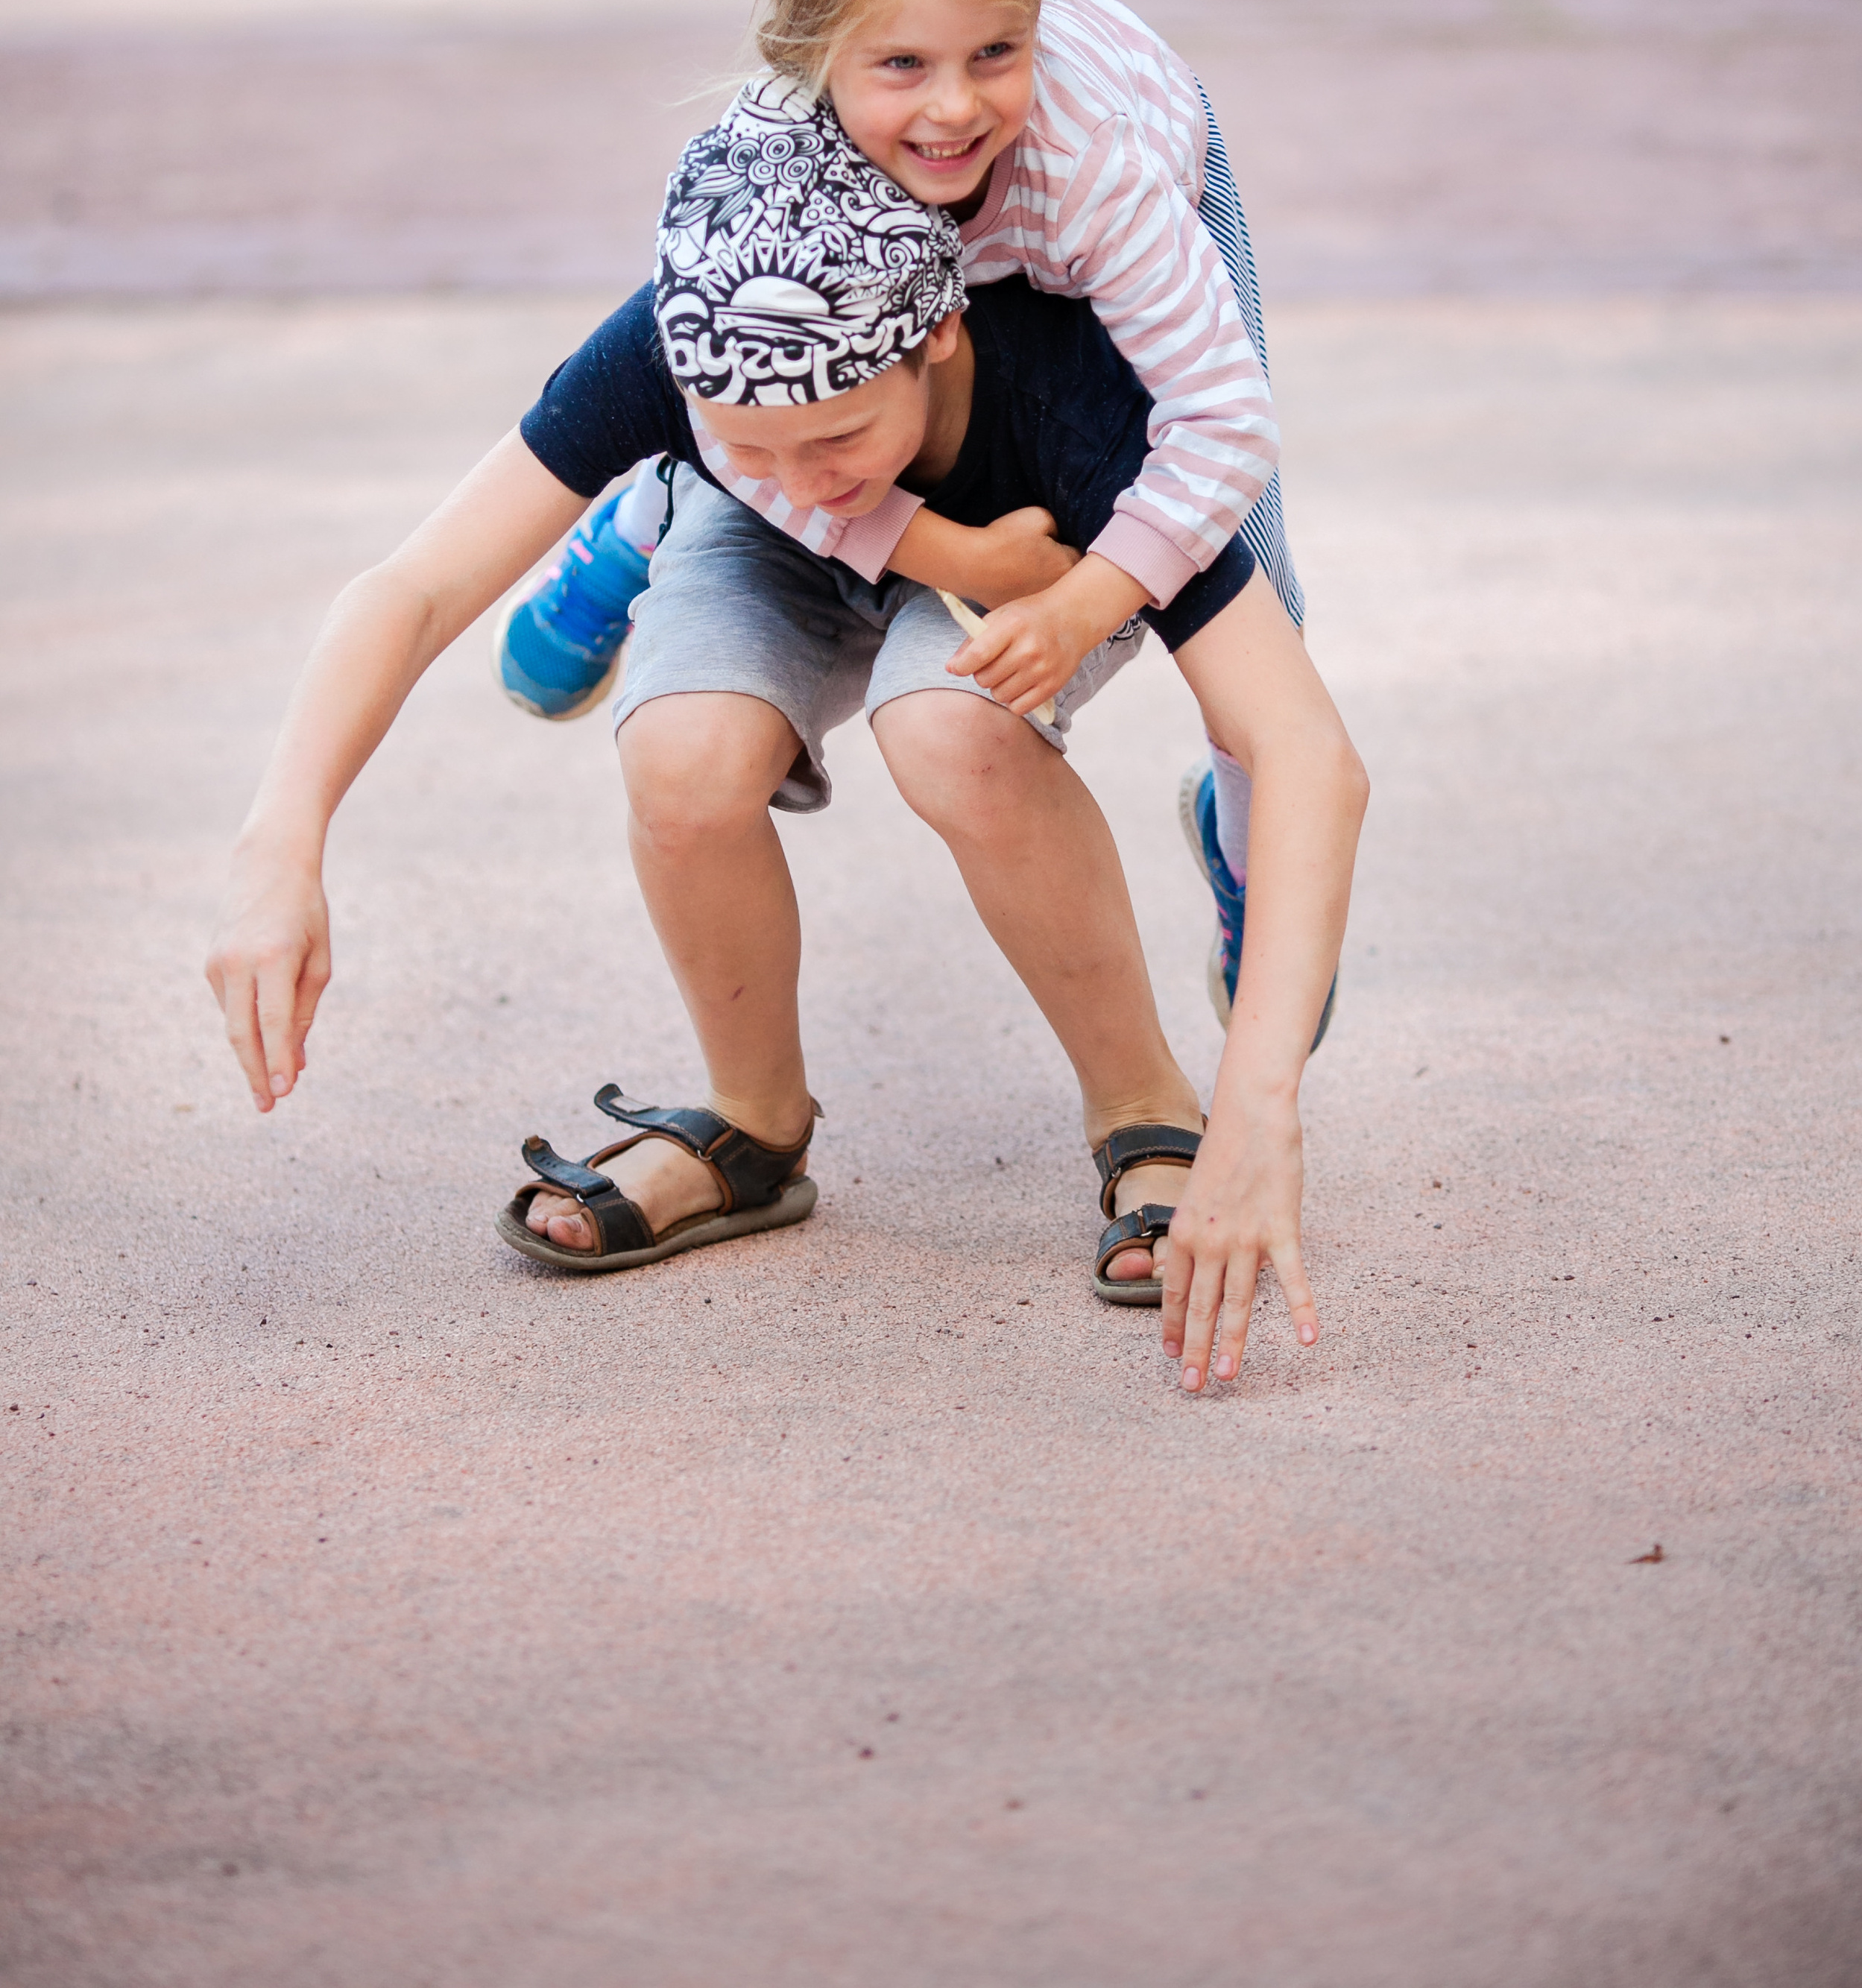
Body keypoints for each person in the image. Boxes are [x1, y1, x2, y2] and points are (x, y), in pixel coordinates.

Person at [206, 85, 1366, 1394]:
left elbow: (1309, 750)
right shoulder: (680, 351)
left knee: (950, 730)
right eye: (747, 441)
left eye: (836, 437)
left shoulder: (1075, 389)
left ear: (937, 334)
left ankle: (1147, 1106)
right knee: (680, 753)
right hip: (744, 544)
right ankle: (755, 1125)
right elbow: (411, 588)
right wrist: (282, 836)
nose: (810, 485)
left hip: (1025, 541)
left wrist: (1260, 1112)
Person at [496, 0, 1298, 1026]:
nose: (954, 108)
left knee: (1255, 598)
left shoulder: (1097, 164)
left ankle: (1247, 857)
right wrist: (956, 555)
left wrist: (1091, 596)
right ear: (810, 50)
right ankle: (658, 502)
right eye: (902, 64)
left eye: (996, 51)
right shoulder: (774, 151)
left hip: (1081, 238)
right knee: (792, 397)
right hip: (878, 331)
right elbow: (721, 383)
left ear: (1041, 14)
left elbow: (1222, 420)